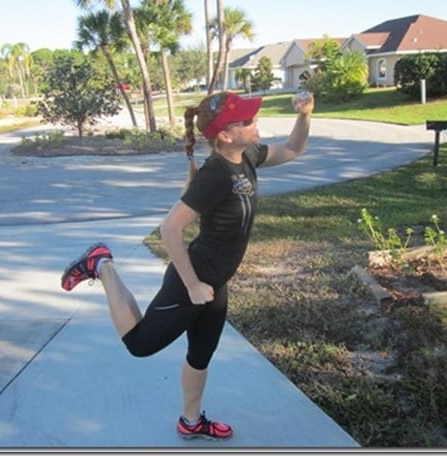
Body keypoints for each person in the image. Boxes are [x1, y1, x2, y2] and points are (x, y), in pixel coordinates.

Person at [61, 90, 315, 441]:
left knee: (201, 354)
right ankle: (102, 264)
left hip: (215, 283)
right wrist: (193, 284)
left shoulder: (248, 156)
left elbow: (293, 148)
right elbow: (170, 228)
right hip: (192, 280)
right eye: (247, 120)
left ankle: (191, 421)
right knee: (140, 344)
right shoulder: (216, 175)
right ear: (225, 134)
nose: (256, 122)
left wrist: (305, 115)